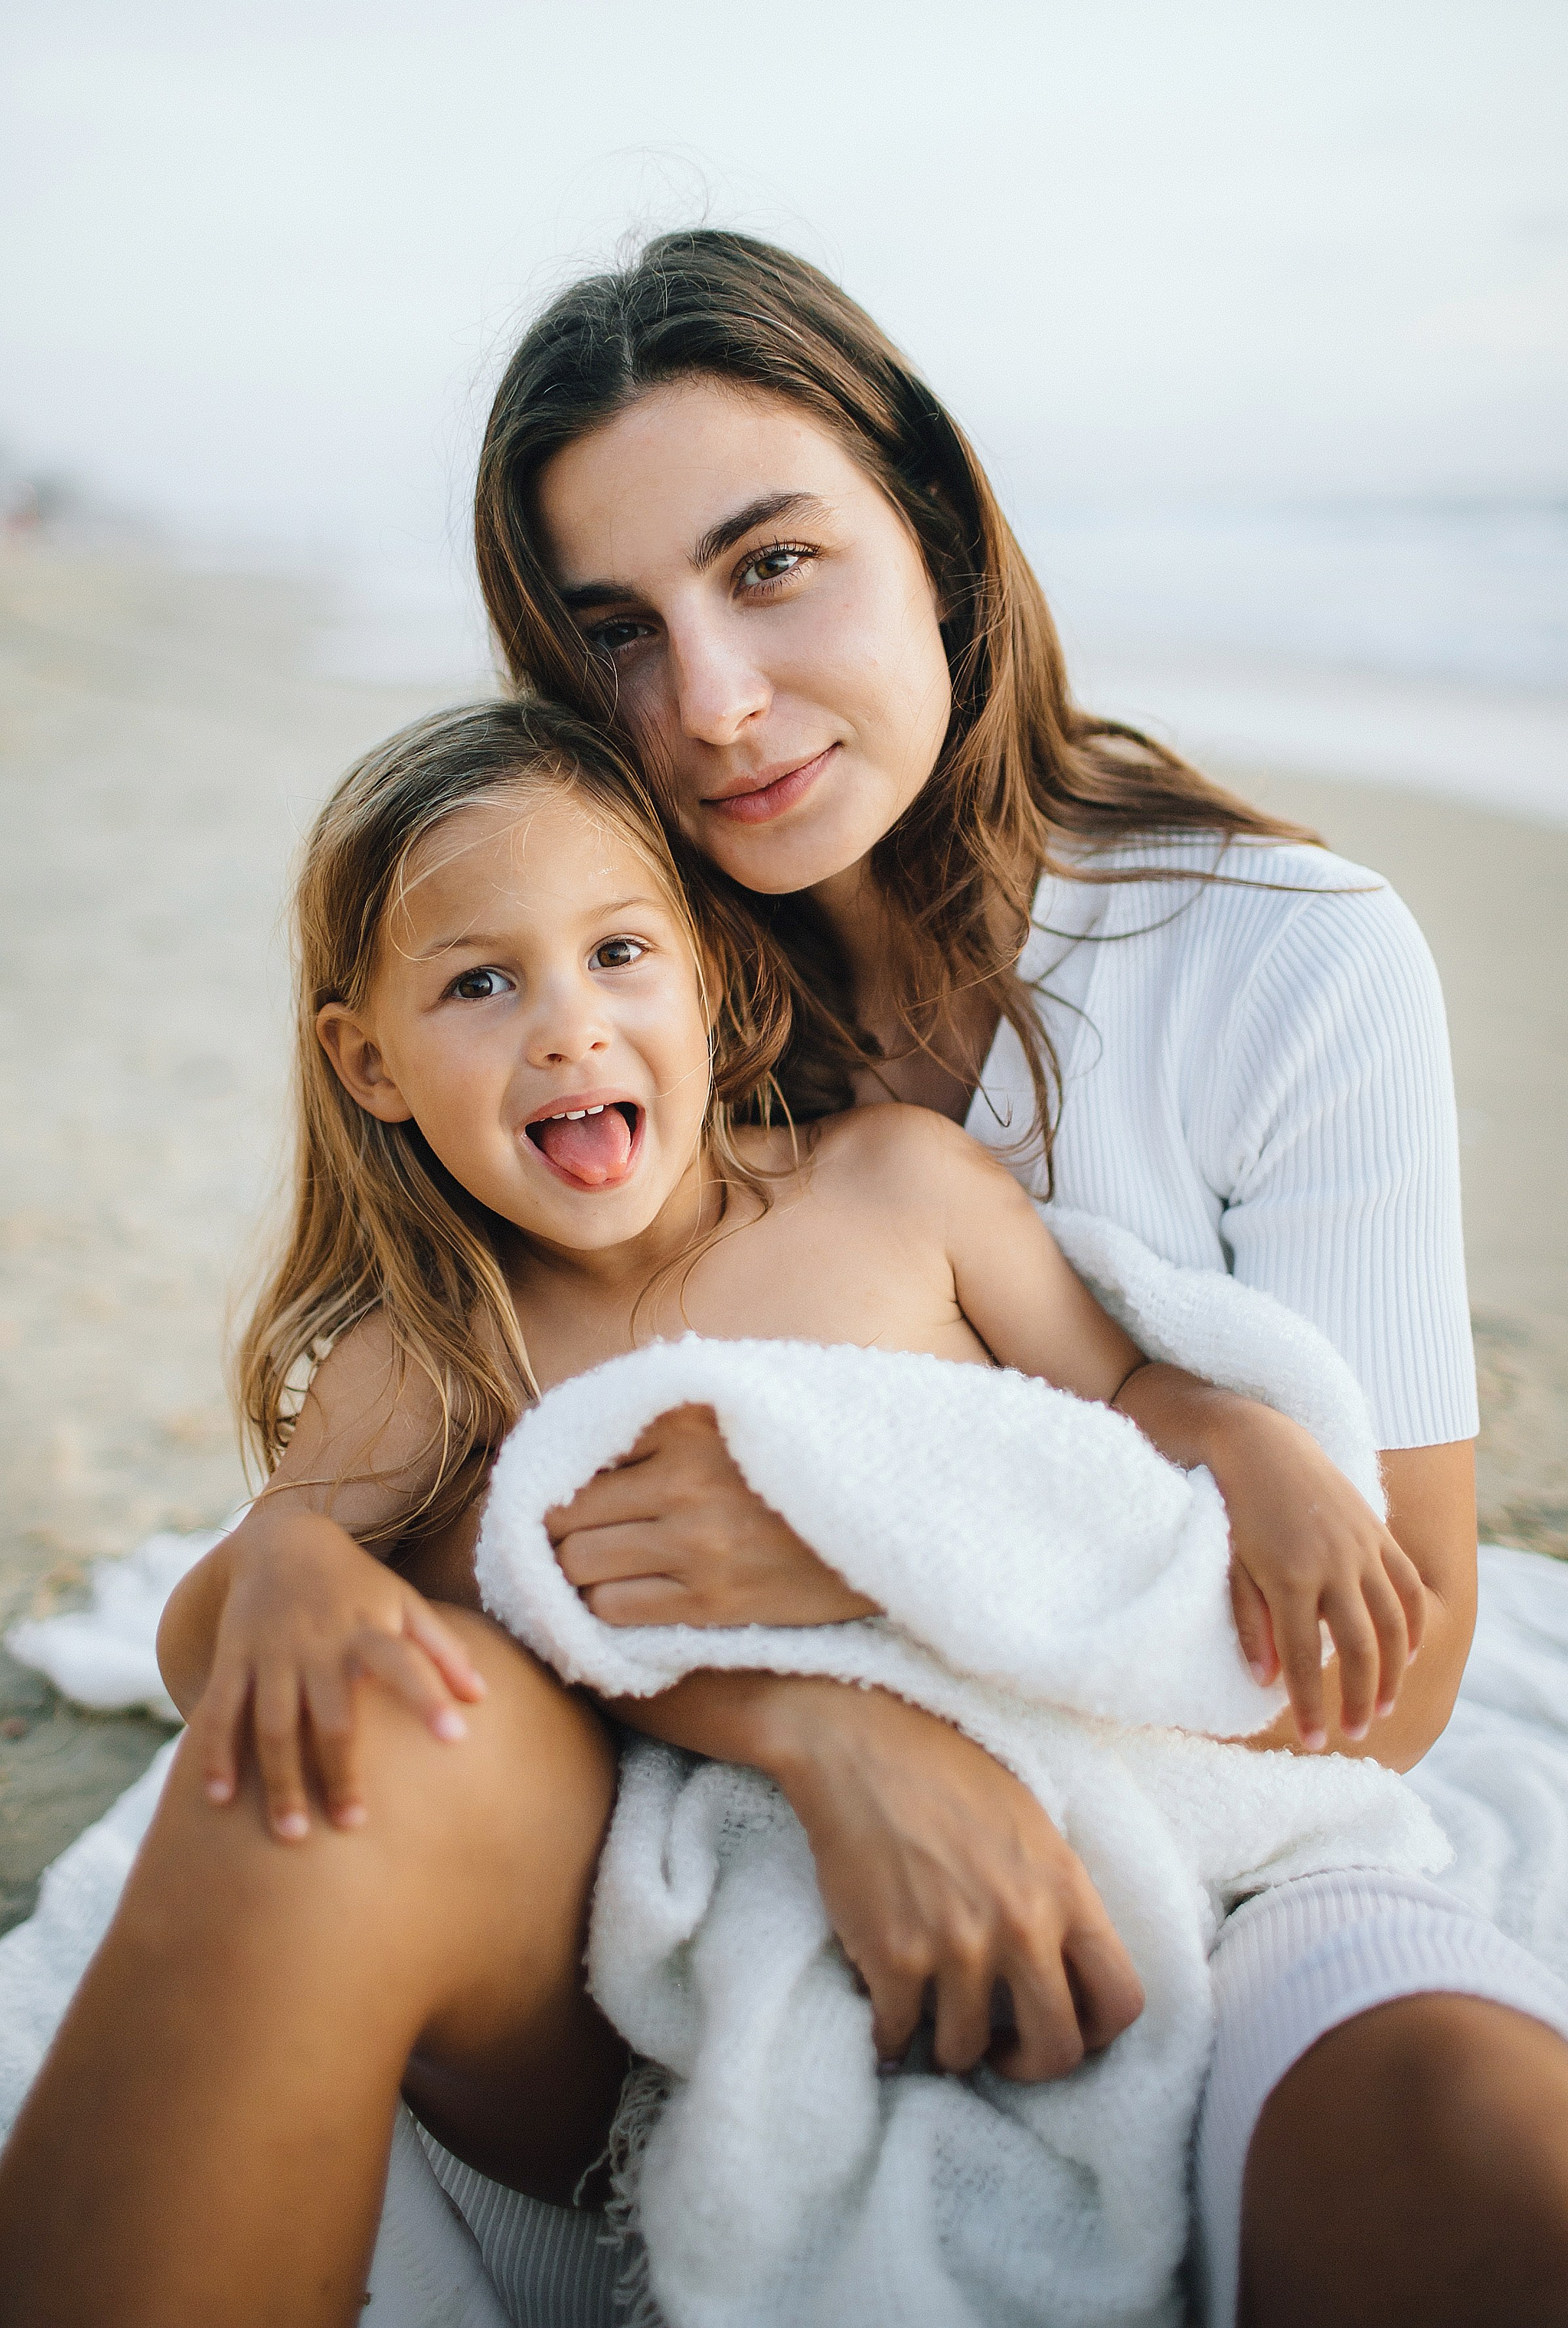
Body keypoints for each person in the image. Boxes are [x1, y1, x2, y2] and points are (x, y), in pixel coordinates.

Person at [0, 696, 1425, 2327]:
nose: (567, 1028)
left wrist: (1260, 1447)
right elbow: (217, 1634)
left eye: (618, 953)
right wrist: (291, 1569)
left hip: (1038, 1830)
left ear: (712, 975)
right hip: (672, 1956)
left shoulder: (895, 1189)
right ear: (368, 1060)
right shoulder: (435, 1349)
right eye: (481, 982)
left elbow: (1120, 1403)